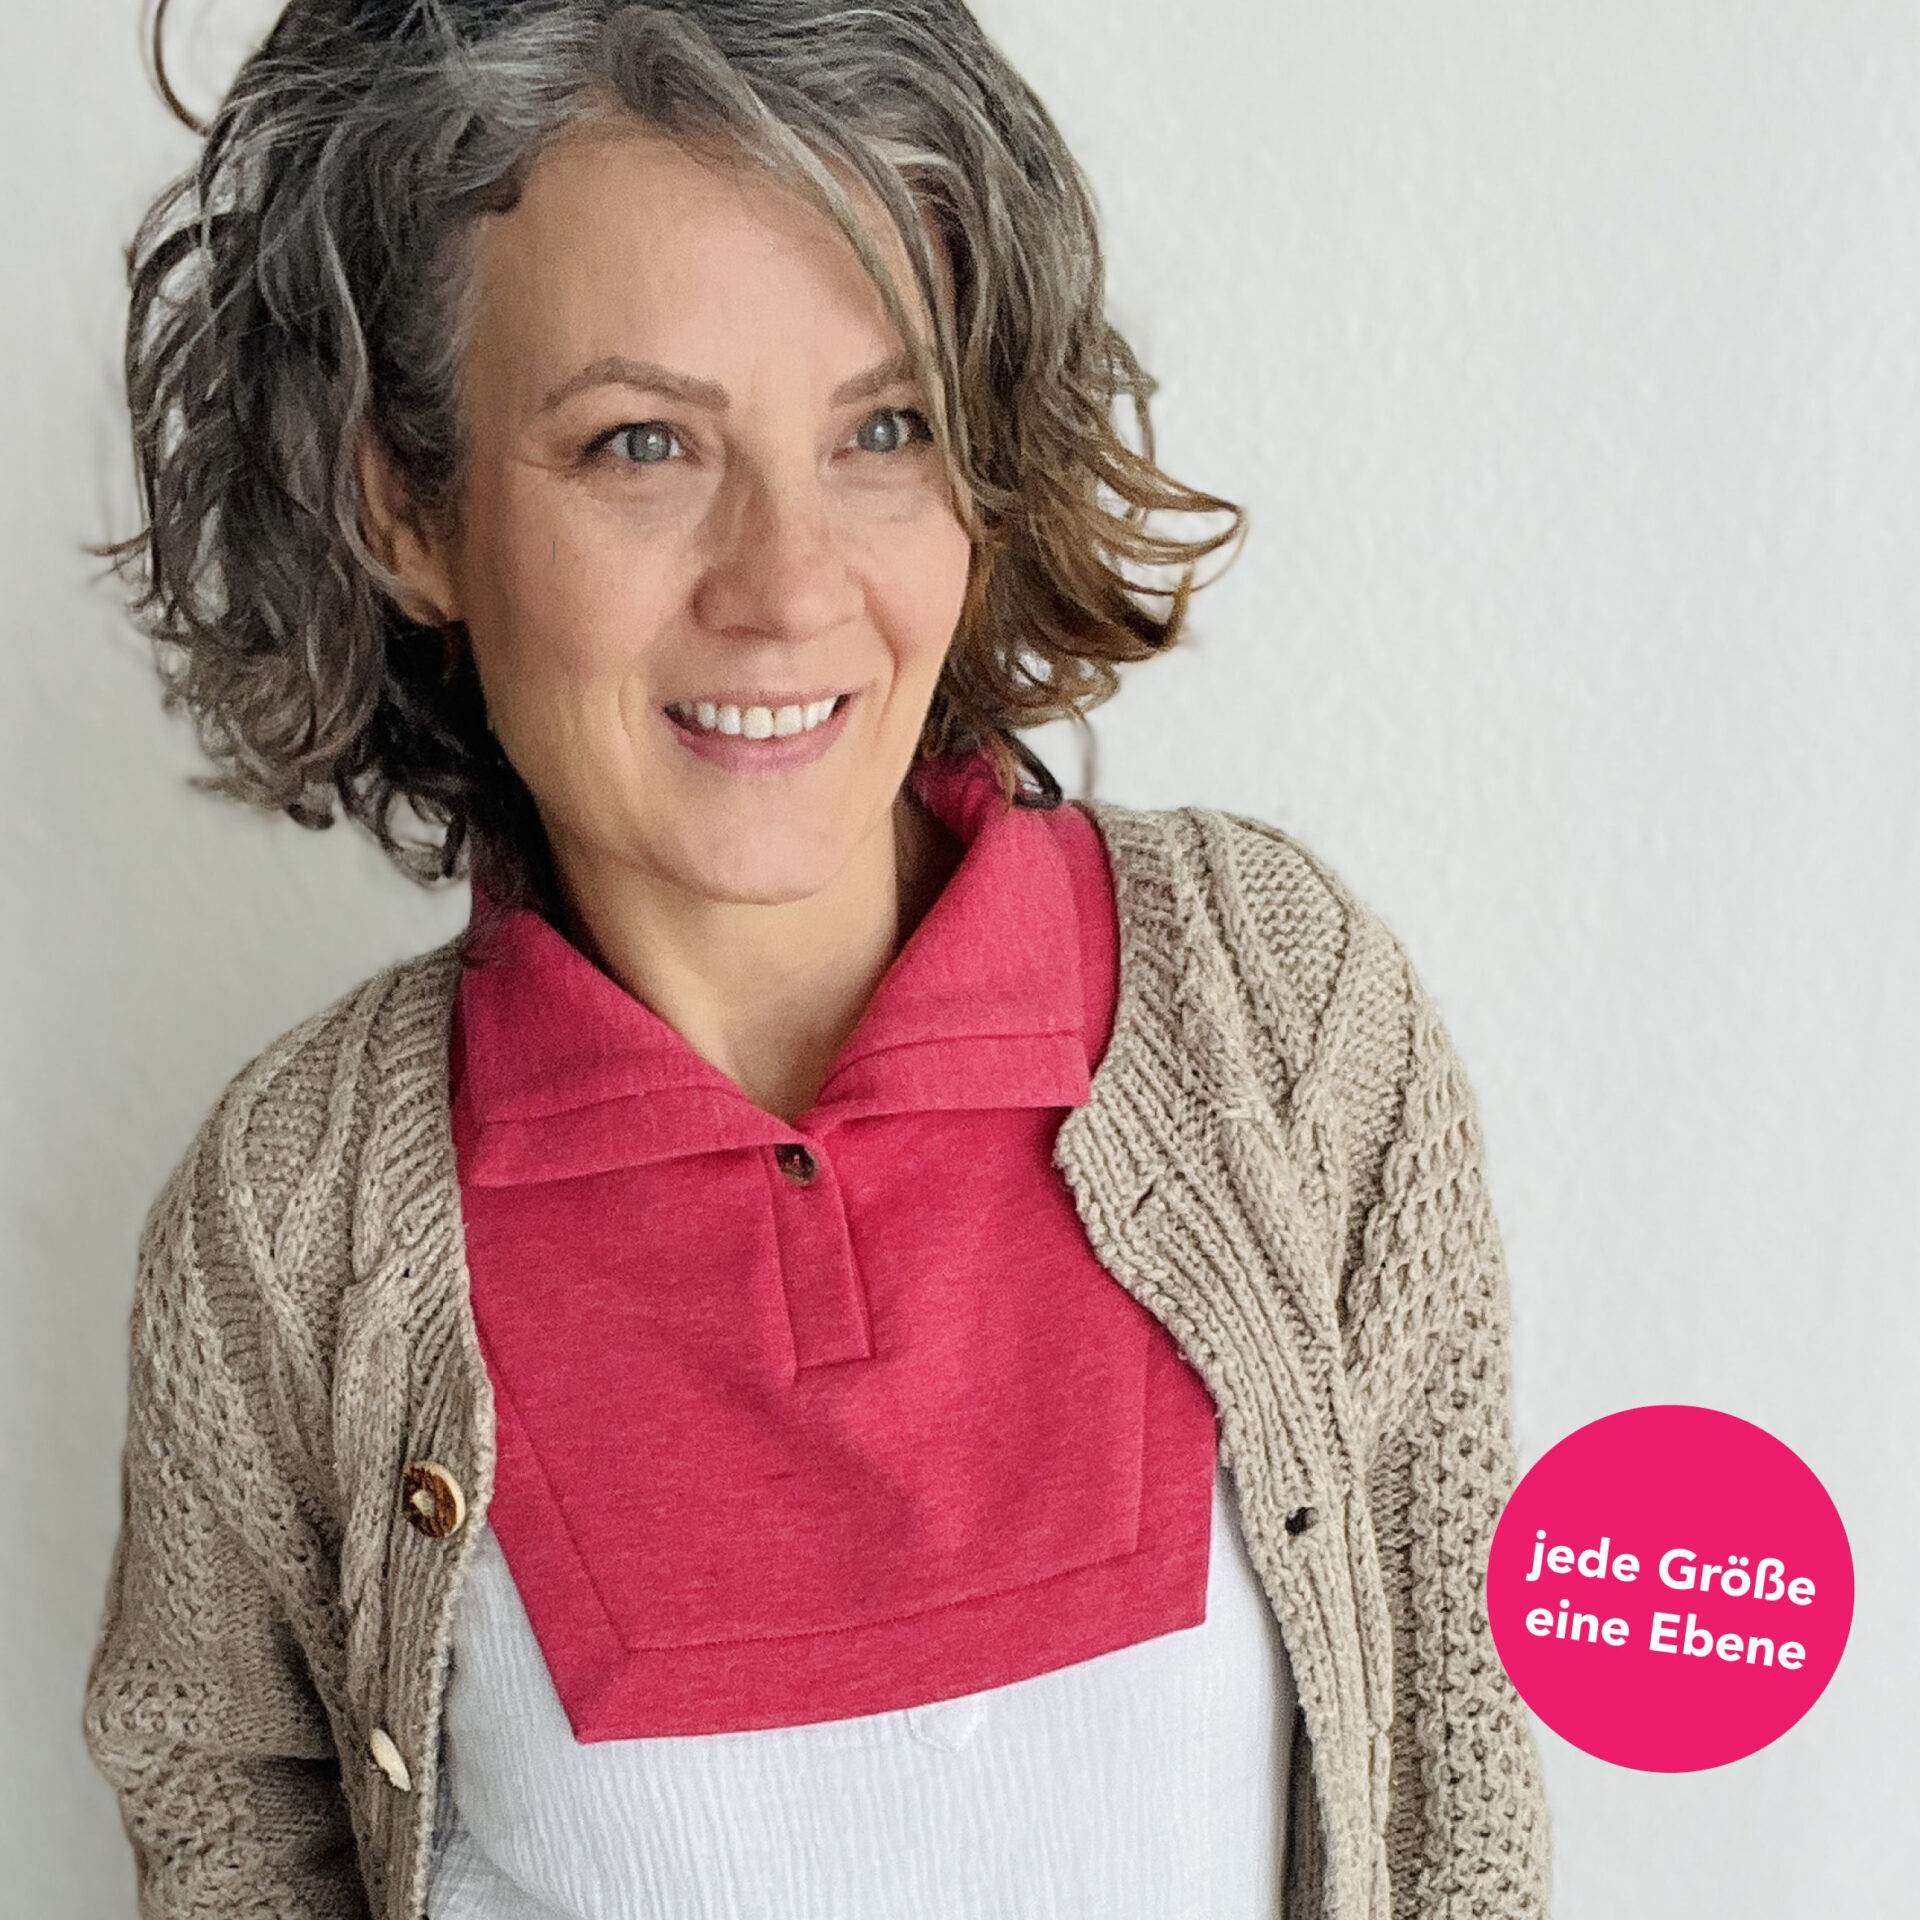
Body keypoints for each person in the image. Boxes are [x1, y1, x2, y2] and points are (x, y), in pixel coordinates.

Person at [78, 4, 1553, 1917]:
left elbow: (1456, 1792)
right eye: (641, 443)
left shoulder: (1282, 1019)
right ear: (407, 507)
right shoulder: (291, 1228)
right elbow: (225, 1812)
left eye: (883, 429)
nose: (786, 586)